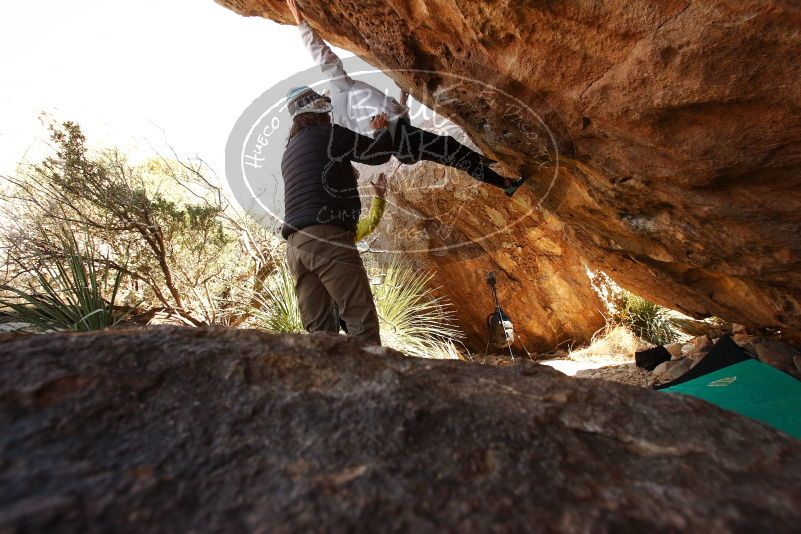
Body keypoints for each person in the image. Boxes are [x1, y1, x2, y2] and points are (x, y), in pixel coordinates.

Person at [285, 0, 528, 197]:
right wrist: (302, 25)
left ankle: (500, 180)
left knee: (450, 152)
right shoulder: (339, 95)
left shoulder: (339, 114)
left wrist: (402, 100)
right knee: (450, 150)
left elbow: (387, 118)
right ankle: (489, 171)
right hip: (398, 141)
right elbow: (325, 59)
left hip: (401, 139)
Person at [282, 85, 393, 345]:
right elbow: (378, 154)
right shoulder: (330, 134)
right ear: (317, 111)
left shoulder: (288, 152)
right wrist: (381, 130)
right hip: (327, 238)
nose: (329, 114)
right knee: (360, 322)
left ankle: (328, 384)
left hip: (295, 248)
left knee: (320, 337)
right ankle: (373, 384)